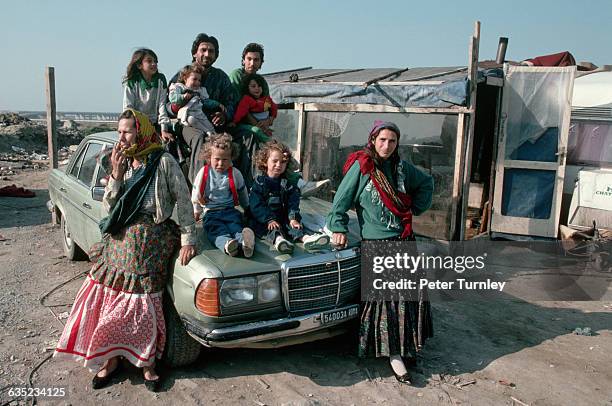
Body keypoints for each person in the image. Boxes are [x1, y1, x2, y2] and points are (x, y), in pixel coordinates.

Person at [54, 109, 196, 392]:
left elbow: (183, 199)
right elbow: (110, 210)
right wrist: (116, 176)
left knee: (142, 296)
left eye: (127, 131)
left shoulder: (163, 161)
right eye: (119, 131)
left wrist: (189, 238)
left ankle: (147, 362)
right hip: (122, 235)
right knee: (107, 291)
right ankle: (112, 358)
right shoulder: (121, 162)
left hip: (152, 235)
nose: (122, 137)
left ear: (141, 131)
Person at [326, 120, 434, 384]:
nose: (386, 146)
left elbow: (427, 182)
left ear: (398, 144)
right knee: (387, 303)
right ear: (373, 140)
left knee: (406, 299)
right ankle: (393, 355)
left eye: (392, 141)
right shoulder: (362, 167)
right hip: (377, 244)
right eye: (382, 140)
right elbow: (339, 203)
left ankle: (407, 347)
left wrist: (413, 208)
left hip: (404, 239)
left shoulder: (401, 168)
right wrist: (338, 227)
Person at [169, 33, 239, 183]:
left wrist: (224, 115)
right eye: (203, 50)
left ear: (216, 55)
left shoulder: (222, 78)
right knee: (200, 139)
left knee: (242, 140)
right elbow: (166, 105)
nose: (207, 54)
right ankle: (198, 186)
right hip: (187, 123)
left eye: (211, 51)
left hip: (213, 126)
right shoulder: (183, 74)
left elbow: (231, 104)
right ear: (195, 53)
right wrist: (179, 104)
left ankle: (240, 189)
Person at [250, 140, 330, 254]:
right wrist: (269, 219)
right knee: (270, 230)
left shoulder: (287, 184)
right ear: (264, 162)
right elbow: (256, 205)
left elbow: (293, 202)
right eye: (275, 161)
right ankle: (279, 241)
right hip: (264, 219)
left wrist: (293, 218)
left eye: (283, 162)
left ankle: (306, 239)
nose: (278, 165)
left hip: (282, 217)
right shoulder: (259, 183)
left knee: (294, 226)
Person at [191, 133, 255, 257]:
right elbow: (196, 194)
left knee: (235, 227)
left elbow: (242, 192)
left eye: (225, 160)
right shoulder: (203, 172)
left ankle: (245, 244)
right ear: (209, 157)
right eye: (217, 159)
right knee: (216, 231)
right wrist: (196, 211)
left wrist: (247, 207)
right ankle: (227, 244)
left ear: (231, 158)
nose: (220, 163)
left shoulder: (235, 173)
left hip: (230, 210)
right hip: (211, 212)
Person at [122, 48, 173, 142]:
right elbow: (128, 108)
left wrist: (164, 130)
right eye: (149, 61)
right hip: (137, 126)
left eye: (155, 61)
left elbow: (162, 106)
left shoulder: (160, 80)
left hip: (155, 124)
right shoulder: (132, 81)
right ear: (139, 65)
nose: (154, 64)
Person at [169, 64, 219, 136]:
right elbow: (173, 98)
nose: (197, 82)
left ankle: (214, 136)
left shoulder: (199, 91)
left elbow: (206, 101)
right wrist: (183, 97)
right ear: (185, 78)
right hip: (186, 113)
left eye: (199, 80)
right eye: (194, 79)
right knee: (191, 120)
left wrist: (217, 104)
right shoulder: (179, 87)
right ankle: (207, 131)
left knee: (209, 124)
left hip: (199, 114)